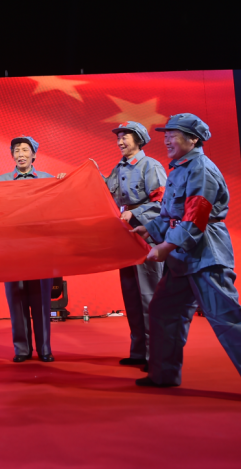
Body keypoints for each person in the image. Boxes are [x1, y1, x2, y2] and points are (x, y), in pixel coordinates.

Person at [132, 113, 241, 410]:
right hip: (182, 258)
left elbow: (196, 216)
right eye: (166, 134)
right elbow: (169, 215)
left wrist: (165, 247)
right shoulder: (179, 168)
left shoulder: (202, 169)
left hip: (206, 255)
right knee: (164, 312)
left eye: (173, 134)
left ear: (193, 139)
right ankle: (163, 375)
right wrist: (149, 229)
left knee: (229, 319)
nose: (167, 139)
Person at [0, 136, 66, 363]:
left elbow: (59, 208)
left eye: (25, 149)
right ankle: (22, 349)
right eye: (16, 150)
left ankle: (44, 349)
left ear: (34, 154)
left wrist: (64, 184)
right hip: (11, 250)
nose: (20, 154)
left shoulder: (47, 179)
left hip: (40, 250)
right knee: (17, 300)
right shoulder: (0, 181)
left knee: (41, 301)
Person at [101, 122, 167, 369]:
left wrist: (135, 212)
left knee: (149, 296)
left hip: (146, 235)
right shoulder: (118, 168)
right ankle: (139, 351)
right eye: (118, 137)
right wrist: (91, 174)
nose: (120, 141)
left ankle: (155, 355)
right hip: (126, 236)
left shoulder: (151, 166)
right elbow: (105, 193)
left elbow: (162, 202)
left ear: (139, 140)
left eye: (125, 136)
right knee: (131, 296)